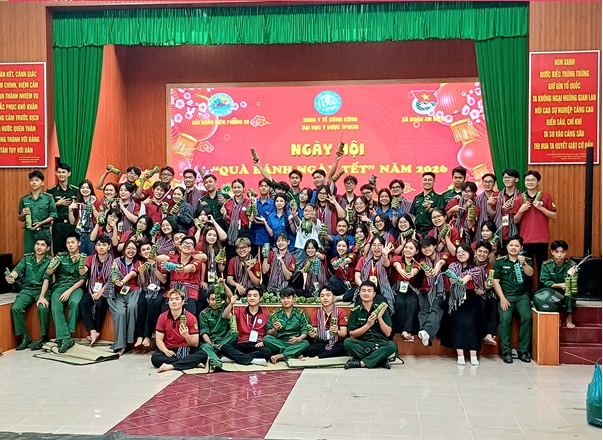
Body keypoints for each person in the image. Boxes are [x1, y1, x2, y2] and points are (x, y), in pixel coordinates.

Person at [440, 243, 487, 366]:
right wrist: (453, 279)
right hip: (456, 299)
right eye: (458, 252)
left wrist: (465, 278)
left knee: (472, 325)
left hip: (472, 298)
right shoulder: (452, 266)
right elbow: (451, 276)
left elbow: (473, 276)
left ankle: (473, 355)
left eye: (463, 252)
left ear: (470, 253)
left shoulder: (477, 268)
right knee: (457, 325)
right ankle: (460, 355)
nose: (460, 254)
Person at [492, 235, 534, 364]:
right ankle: (506, 351)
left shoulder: (527, 260)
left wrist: (523, 263)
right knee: (505, 318)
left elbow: (530, 273)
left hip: (522, 295)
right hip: (506, 295)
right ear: (507, 247)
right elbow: (495, 281)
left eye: (516, 246)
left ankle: (523, 350)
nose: (513, 248)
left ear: (521, 247)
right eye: (511, 245)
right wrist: (502, 298)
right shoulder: (500, 262)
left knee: (527, 317)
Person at [7, 237, 52, 350]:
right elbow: (18, 270)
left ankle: (43, 338)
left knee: (42, 307)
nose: (39, 247)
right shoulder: (27, 258)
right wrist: (11, 277)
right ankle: (24, 337)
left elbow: (47, 279)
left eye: (42, 245)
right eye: (37, 244)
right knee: (16, 308)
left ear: (48, 248)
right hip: (27, 289)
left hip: (42, 289)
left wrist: (42, 296)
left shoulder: (50, 261)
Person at [46, 232, 86, 353]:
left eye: (73, 242)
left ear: (79, 243)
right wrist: (52, 265)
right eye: (68, 243)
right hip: (59, 287)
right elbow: (48, 273)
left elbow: (82, 279)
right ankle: (65, 338)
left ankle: (66, 335)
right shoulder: (61, 257)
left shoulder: (83, 258)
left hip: (76, 287)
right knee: (55, 306)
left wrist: (69, 291)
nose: (70, 245)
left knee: (75, 303)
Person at [512, 170, 557, 279]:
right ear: (524, 182)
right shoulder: (519, 198)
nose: (530, 182)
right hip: (525, 240)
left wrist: (541, 208)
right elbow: (515, 220)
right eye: (527, 180)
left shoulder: (546, 197)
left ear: (538, 182)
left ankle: (543, 289)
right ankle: (527, 290)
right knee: (525, 269)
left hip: (542, 239)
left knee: (543, 269)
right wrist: (520, 211)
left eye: (533, 180)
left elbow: (554, 216)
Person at [344, 281, 398, 369]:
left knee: (392, 345)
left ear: (374, 294)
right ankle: (379, 359)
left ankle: (361, 363)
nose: (366, 293)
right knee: (348, 343)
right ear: (359, 293)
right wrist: (368, 325)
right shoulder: (355, 311)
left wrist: (379, 318)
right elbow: (352, 335)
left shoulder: (381, 310)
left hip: (379, 343)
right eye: (363, 291)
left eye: (369, 291)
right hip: (363, 343)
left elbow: (388, 333)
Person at [151, 289, 207, 373]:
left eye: (177, 299)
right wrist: (166, 350)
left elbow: (195, 343)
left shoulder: (191, 317)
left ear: (183, 302)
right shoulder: (162, 317)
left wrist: (186, 335)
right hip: (170, 350)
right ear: (168, 302)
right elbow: (159, 340)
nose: (174, 302)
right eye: (171, 299)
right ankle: (190, 363)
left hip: (186, 349)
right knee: (155, 358)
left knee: (203, 355)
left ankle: (171, 366)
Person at [220, 286, 272, 366]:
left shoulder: (266, 313)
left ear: (260, 298)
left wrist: (263, 342)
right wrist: (231, 304)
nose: (252, 298)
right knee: (224, 347)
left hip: (257, 344)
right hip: (242, 343)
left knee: (267, 352)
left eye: (255, 296)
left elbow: (269, 331)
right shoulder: (240, 310)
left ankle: (235, 358)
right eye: (249, 295)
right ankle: (253, 360)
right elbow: (225, 316)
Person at [78, 236, 114, 347]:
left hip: (106, 289)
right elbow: (82, 272)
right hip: (91, 288)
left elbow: (112, 279)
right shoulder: (90, 259)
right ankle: (92, 330)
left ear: (109, 247)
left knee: (100, 303)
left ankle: (97, 330)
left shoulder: (114, 260)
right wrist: (81, 263)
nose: (101, 247)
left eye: (104, 245)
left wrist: (101, 292)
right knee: (83, 303)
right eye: (99, 245)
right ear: (95, 247)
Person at [109, 238, 141, 355]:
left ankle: (129, 341)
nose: (131, 251)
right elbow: (113, 275)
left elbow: (133, 273)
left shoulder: (138, 263)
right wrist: (116, 281)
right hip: (117, 292)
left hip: (133, 290)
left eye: (134, 249)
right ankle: (120, 344)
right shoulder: (116, 261)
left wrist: (123, 281)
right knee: (120, 312)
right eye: (129, 248)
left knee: (132, 307)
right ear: (124, 249)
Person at [416, 236, 450, 347]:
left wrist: (435, 270)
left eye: (428, 246)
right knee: (423, 309)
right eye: (423, 247)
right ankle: (425, 333)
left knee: (436, 309)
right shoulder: (422, 260)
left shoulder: (444, 255)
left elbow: (441, 262)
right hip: (424, 289)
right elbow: (423, 266)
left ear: (435, 246)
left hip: (441, 290)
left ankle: (425, 331)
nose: (426, 249)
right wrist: (427, 271)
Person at [157, 235, 204, 315]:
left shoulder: (197, 261)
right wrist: (153, 258)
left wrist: (176, 267)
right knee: (166, 314)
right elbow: (160, 258)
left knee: (189, 315)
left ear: (193, 249)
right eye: (185, 243)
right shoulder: (173, 259)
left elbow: (191, 268)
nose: (187, 245)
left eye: (190, 244)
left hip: (190, 293)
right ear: (180, 246)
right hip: (173, 291)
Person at [537, 240, 578, 328]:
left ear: (566, 252)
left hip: (565, 290)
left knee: (571, 291)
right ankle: (557, 316)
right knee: (546, 294)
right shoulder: (546, 265)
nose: (559, 255)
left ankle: (569, 317)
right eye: (556, 252)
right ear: (552, 252)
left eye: (562, 252)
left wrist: (573, 275)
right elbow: (544, 281)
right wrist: (559, 285)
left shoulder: (571, 265)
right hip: (552, 290)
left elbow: (574, 282)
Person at [134, 241, 167, 347]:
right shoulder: (141, 264)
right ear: (140, 253)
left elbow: (164, 280)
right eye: (143, 250)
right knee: (141, 303)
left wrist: (154, 268)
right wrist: (141, 273)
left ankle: (148, 335)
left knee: (154, 303)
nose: (146, 251)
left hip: (160, 289)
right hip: (147, 289)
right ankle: (139, 335)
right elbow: (143, 283)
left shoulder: (161, 262)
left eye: (148, 249)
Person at [263, 288, 310, 363]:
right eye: (283, 298)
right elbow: (268, 332)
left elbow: (305, 331)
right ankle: (293, 354)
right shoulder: (274, 314)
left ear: (294, 299)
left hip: (295, 342)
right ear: (280, 300)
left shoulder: (301, 314)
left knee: (305, 343)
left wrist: (299, 339)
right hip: (279, 342)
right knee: (266, 339)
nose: (285, 300)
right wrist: (274, 329)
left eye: (288, 298)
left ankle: (280, 356)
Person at [199, 283, 238, 369]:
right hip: (211, 341)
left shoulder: (224, 308)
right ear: (208, 300)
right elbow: (204, 332)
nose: (215, 302)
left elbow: (230, 296)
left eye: (217, 299)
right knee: (205, 346)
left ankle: (215, 353)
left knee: (234, 333)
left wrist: (223, 284)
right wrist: (210, 343)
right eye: (212, 299)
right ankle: (217, 360)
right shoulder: (203, 313)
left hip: (224, 341)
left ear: (222, 300)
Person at [302, 287, 348, 359]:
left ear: (334, 298)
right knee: (310, 350)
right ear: (319, 299)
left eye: (328, 295)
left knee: (341, 348)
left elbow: (344, 333)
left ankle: (317, 357)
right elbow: (315, 334)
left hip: (337, 340)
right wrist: (313, 335)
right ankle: (328, 354)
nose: (325, 298)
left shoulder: (341, 312)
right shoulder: (316, 314)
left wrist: (337, 331)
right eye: (322, 296)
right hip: (322, 340)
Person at [18, 170, 57, 255]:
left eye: (36, 180)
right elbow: (20, 218)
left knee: (45, 257)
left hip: (44, 231)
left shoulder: (48, 198)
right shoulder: (24, 199)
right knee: (29, 255)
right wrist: (23, 214)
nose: (34, 182)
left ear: (42, 183)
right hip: (29, 232)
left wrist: (41, 223)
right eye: (31, 180)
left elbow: (53, 215)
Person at [390, 240, 421, 341]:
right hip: (397, 287)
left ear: (416, 251)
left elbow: (416, 269)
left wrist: (413, 272)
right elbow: (396, 264)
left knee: (413, 303)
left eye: (411, 248)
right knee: (400, 303)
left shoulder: (417, 262)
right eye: (406, 247)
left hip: (410, 288)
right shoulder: (397, 258)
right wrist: (400, 270)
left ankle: (407, 330)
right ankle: (398, 330)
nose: (407, 250)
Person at [47, 163, 79, 254]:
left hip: (71, 225)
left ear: (69, 174)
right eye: (59, 172)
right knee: (58, 252)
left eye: (63, 172)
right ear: (56, 173)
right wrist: (57, 204)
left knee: (72, 251)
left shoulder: (75, 190)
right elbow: (46, 209)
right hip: (58, 225)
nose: (61, 174)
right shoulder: (51, 191)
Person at [474, 240, 498, 345]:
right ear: (475, 252)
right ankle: (483, 333)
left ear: (488, 254)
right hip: (470, 291)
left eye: (485, 252)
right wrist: (475, 289)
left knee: (493, 299)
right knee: (481, 302)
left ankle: (490, 333)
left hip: (484, 291)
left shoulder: (490, 267)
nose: (482, 254)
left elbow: (488, 285)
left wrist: (487, 287)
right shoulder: (470, 264)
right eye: (480, 251)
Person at [410, 172, 444, 236]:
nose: (427, 182)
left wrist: (431, 210)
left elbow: (442, 215)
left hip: (431, 230)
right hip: (417, 231)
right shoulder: (417, 197)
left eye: (430, 180)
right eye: (425, 180)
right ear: (422, 182)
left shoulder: (438, 197)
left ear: (434, 182)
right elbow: (414, 216)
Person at [494, 168, 521, 246]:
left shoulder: (521, 196)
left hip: (515, 231)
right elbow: (493, 215)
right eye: (505, 177)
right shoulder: (497, 196)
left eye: (509, 177)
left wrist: (512, 209)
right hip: (500, 230)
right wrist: (488, 205)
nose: (507, 179)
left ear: (516, 179)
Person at [474, 173, 498, 241]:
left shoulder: (499, 197)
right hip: (481, 230)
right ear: (482, 183)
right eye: (485, 182)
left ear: (494, 183)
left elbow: (496, 215)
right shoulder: (477, 199)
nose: (487, 184)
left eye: (490, 182)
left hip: (496, 228)